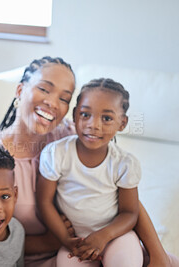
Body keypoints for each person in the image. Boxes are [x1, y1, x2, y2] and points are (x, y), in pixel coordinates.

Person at [0, 56, 179, 267]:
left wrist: (157, 254)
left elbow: (120, 192)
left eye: (64, 98)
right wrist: (51, 241)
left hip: (99, 243)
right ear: (20, 90)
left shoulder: (70, 134)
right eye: (45, 89)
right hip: (46, 258)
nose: (53, 103)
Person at [37, 78, 143, 267]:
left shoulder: (124, 163)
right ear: (75, 115)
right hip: (76, 241)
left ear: (122, 123)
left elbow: (130, 213)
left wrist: (104, 236)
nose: (94, 125)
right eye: (85, 114)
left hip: (115, 236)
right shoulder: (56, 154)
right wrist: (65, 239)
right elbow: (44, 202)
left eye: (107, 118)